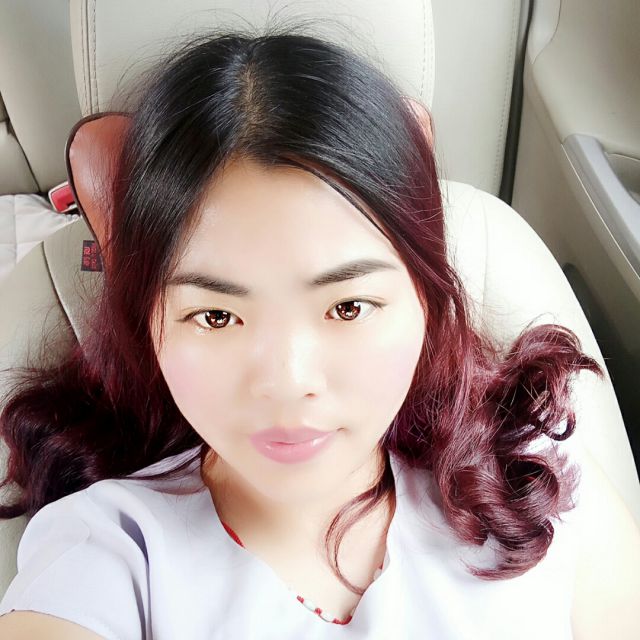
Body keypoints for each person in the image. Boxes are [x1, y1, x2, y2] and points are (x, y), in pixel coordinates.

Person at [0, 28, 639, 640]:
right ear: (149, 324)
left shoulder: (534, 474)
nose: (288, 383)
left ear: (425, 300)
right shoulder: (107, 551)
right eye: (216, 316)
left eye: (349, 307)